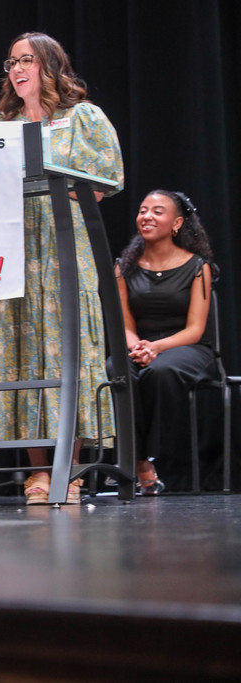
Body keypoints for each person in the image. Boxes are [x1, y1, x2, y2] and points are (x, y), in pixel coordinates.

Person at [0, 32, 125, 504]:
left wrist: (60, 187)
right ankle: (39, 472)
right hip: (10, 245)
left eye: (27, 60)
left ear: (50, 66)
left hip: (61, 243)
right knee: (19, 349)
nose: (16, 69)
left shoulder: (83, 118)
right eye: (11, 62)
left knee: (63, 351)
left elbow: (105, 180)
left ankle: (68, 472)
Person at [114, 190, 215, 494]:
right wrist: (137, 347)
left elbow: (195, 329)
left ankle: (148, 459)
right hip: (138, 345)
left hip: (186, 347)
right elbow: (124, 325)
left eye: (158, 211)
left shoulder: (198, 267)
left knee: (161, 372)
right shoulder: (124, 268)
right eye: (143, 210)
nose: (147, 216)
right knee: (118, 370)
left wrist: (156, 348)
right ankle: (142, 464)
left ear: (177, 223)